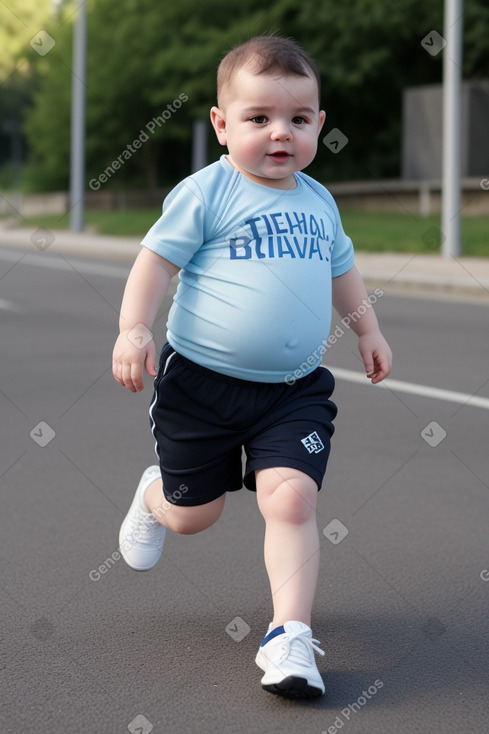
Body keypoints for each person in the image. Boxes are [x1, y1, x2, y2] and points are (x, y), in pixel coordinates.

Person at [112, 34, 392, 699]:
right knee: (193, 516)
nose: (279, 134)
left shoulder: (318, 201)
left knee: (291, 496)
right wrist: (133, 328)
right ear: (220, 124)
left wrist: (368, 329)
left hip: (292, 391)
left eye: (298, 120)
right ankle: (157, 495)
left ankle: (288, 637)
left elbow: (341, 271)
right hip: (200, 387)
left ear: (319, 125)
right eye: (258, 118)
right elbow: (155, 262)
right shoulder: (206, 193)